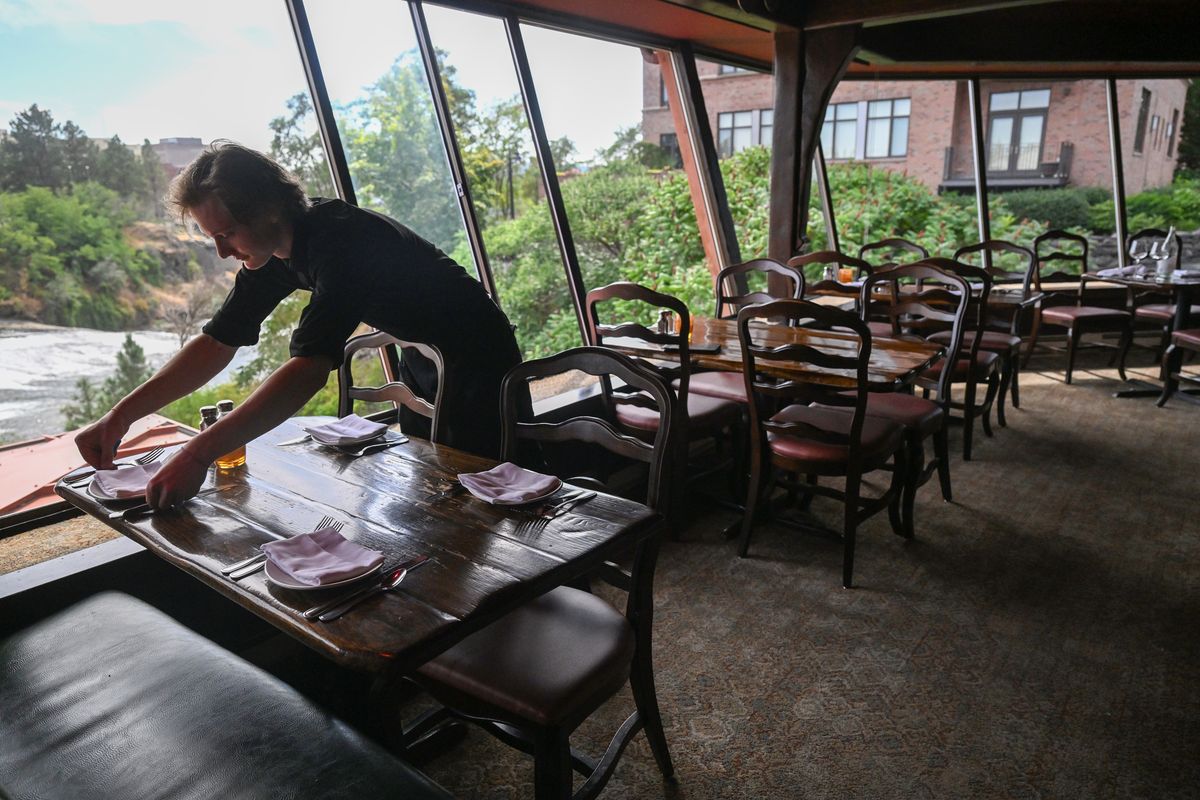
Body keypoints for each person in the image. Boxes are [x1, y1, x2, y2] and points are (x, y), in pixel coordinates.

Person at [76, 141, 526, 508]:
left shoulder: (340, 241)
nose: (221, 252)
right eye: (212, 237)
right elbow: (217, 342)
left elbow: (309, 368)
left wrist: (197, 454)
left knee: (489, 492)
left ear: (269, 208)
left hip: (476, 352)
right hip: (422, 354)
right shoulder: (273, 253)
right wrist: (120, 417)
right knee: (437, 491)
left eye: (226, 233)